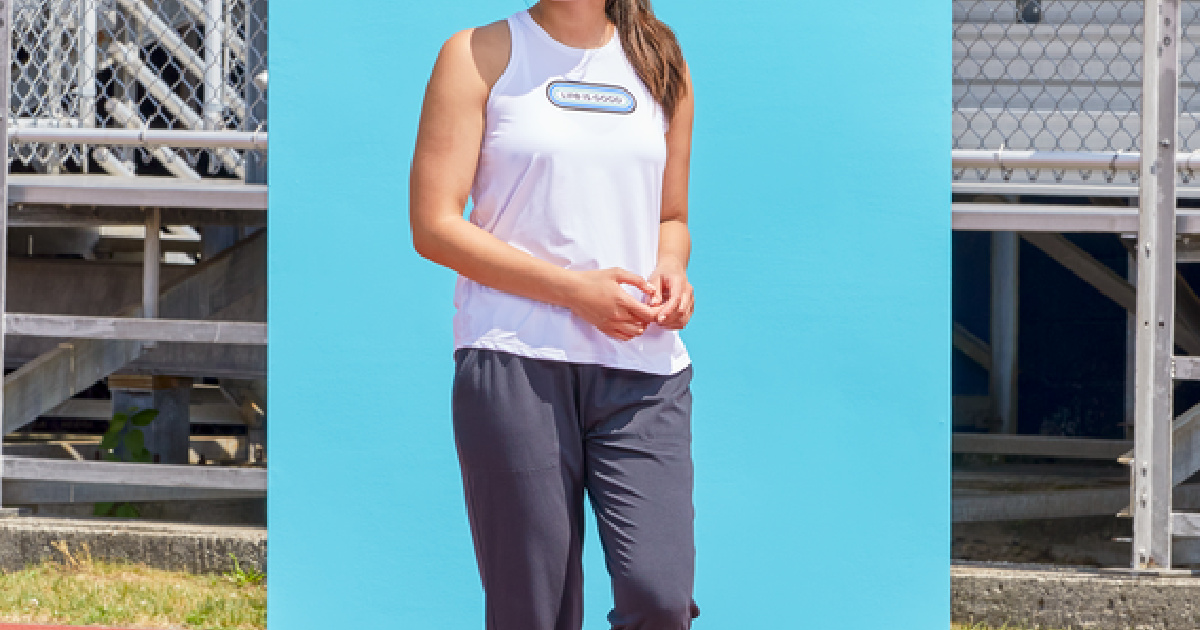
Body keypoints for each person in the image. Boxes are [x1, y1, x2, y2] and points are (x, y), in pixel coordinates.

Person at [409, 0, 696, 628]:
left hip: (642, 370)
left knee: (661, 597)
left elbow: (669, 217)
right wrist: (573, 291)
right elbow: (433, 226)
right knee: (533, 611)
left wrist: (672, 269)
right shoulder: (475, 55)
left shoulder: (660, 60)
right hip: (515, 361)